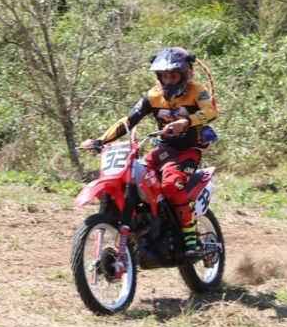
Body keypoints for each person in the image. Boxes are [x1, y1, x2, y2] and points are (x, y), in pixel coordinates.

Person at [81, 46, 218, 257]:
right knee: (135, 175)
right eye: (164, 76)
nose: (169, 80)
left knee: (171, 185)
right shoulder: (153, 96)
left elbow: (210, 111)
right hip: (163, 150)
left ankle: (191, 238)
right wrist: (100, 140)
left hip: (188, 151)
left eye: (174, 76)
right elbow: (128, 121)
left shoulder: (195, 90)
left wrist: (186, 122)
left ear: (185, 74)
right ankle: (143, 224)